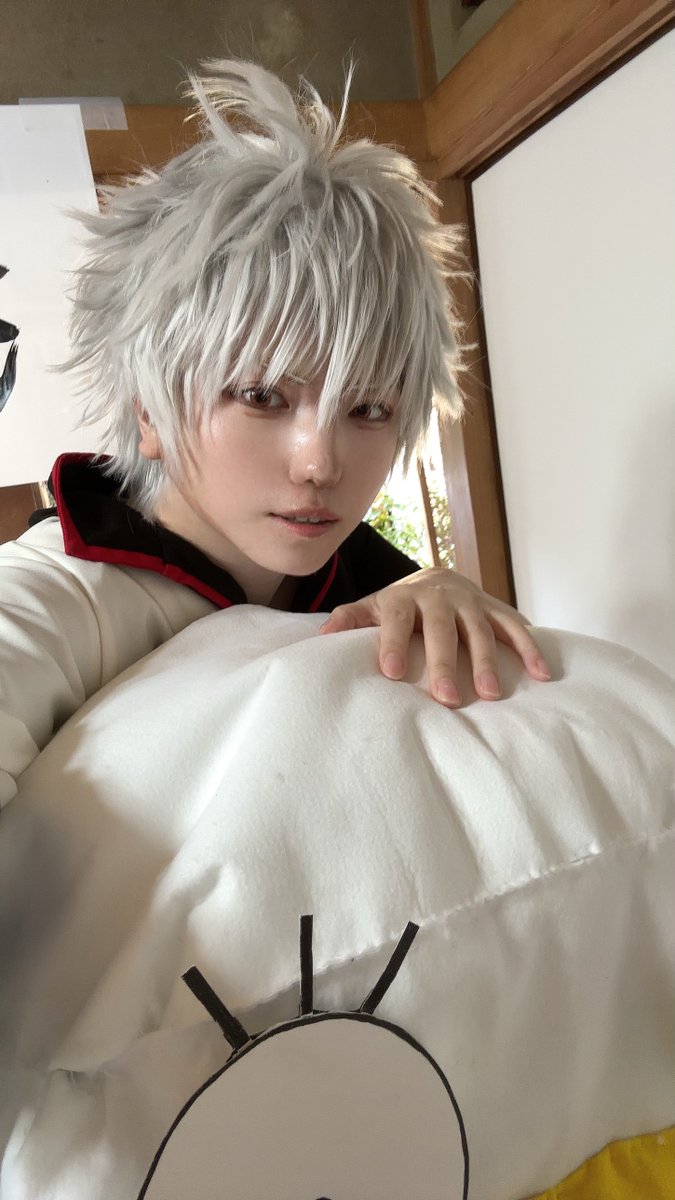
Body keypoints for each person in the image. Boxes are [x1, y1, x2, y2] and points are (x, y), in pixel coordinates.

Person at [0, 58, 550, 809]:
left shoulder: (377, 585)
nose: (320, 463)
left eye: (369, 409)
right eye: (261, 396)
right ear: (149, 412)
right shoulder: (61, 596)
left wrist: (443, 602)